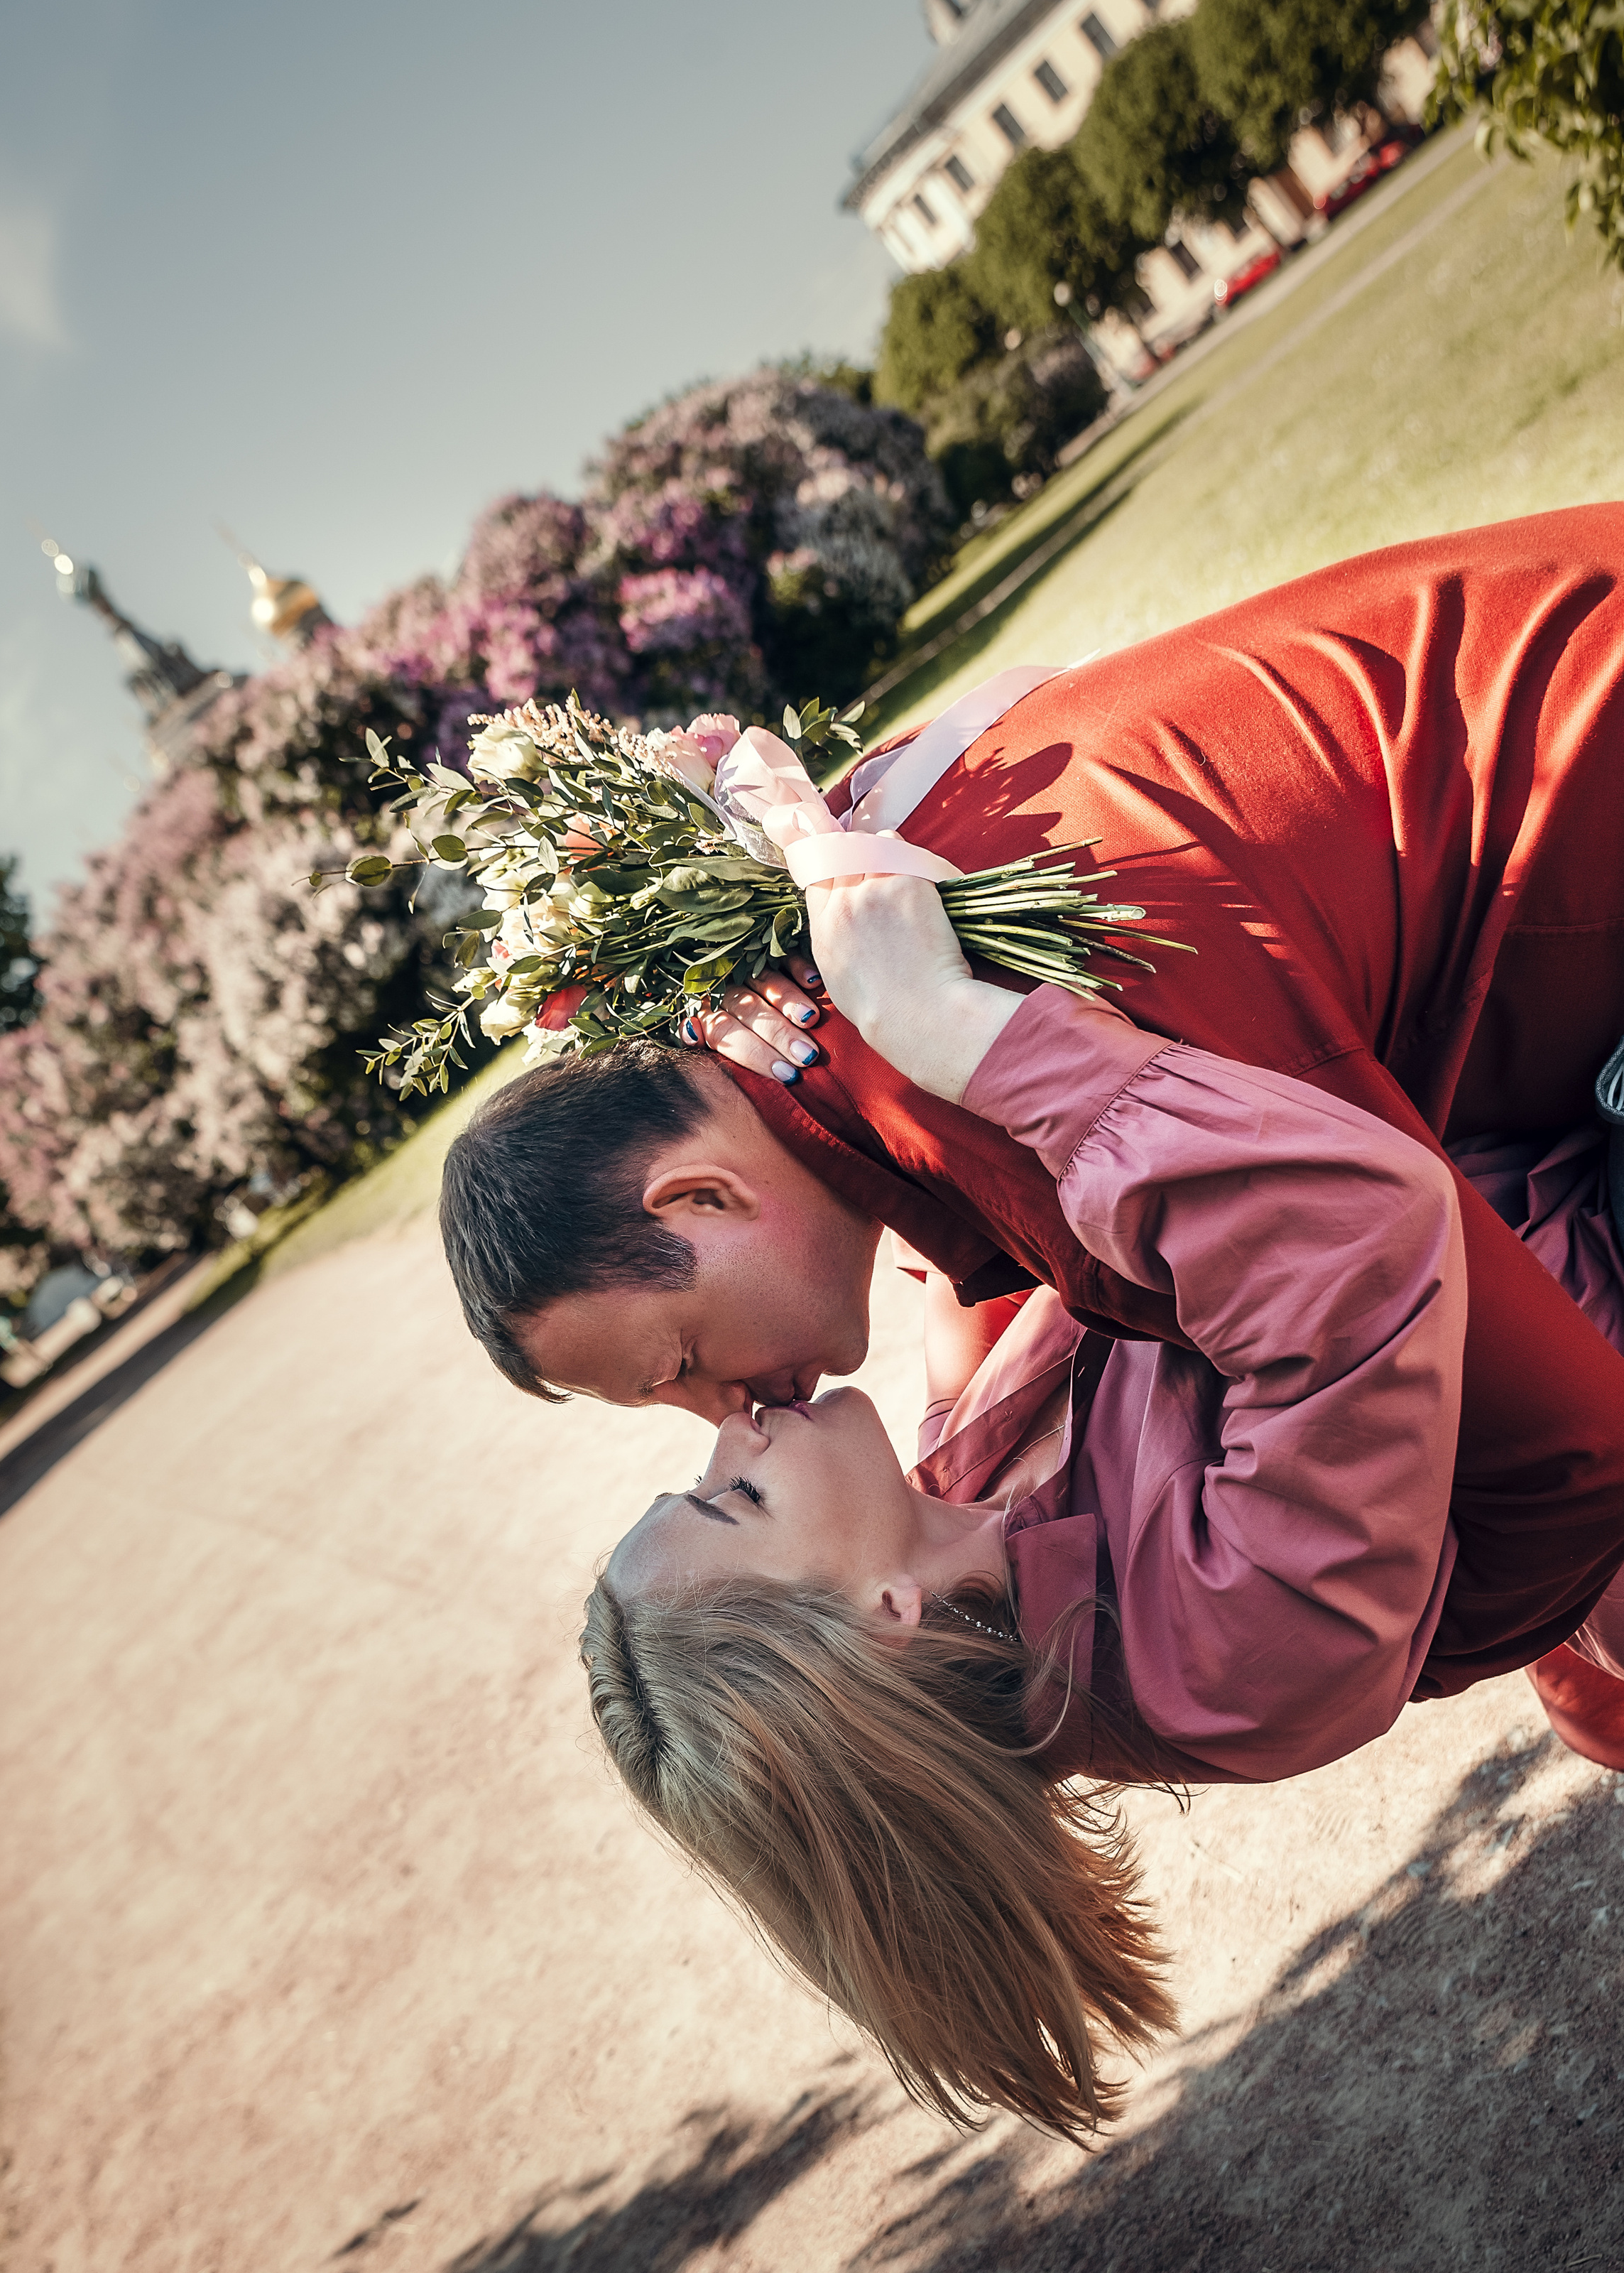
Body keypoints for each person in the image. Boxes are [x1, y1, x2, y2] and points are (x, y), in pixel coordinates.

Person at [441, 508, 1624, 1728]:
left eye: (680, 1367)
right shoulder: (837, 894)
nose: (728, 1418)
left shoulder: (969, 1076)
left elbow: (1571, 1448)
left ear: (699, 1198)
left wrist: (1413, 1648)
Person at [579, 875, 1624, 2138]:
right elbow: (1349, 1247)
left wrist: (783, 1067)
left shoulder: (965, 1463)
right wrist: (961, 1037)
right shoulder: (1217, 1657)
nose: (728, 1429)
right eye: (734, 1500)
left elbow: (954, 1201)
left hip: (1510, 1107)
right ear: (884, 1614)